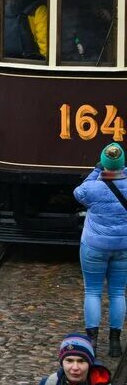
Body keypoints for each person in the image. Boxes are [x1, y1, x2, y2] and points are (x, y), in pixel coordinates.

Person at [76, 144, 127, 357]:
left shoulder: (93, 187)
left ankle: (92, 341)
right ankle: (115, 342)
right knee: (117, 292)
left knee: (92, 291)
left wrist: (97, 171)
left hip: (94, 245)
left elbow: (78, 193)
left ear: (103, 163)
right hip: (123, 245)